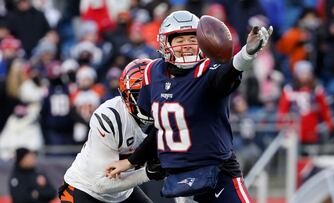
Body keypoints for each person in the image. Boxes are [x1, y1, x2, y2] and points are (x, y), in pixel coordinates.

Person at [105, 10, 272, 203]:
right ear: (166, 43)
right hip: (179, 177)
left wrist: (246, 54)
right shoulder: (153, 72)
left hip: (217, 171)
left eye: (192, 39)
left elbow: (229, 72)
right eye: (179, 40)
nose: (187, 45)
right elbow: (161, 129)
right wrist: (130, 161)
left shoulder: (208, 70)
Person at [58, 58, 165, 203]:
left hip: (122, 191)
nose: (149, 100)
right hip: (86, 189)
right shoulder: (110, 118)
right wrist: (147, 173)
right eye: (142, 95)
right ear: (126, 97)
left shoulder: (170, 112)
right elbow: (101, 183)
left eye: (154, 92)